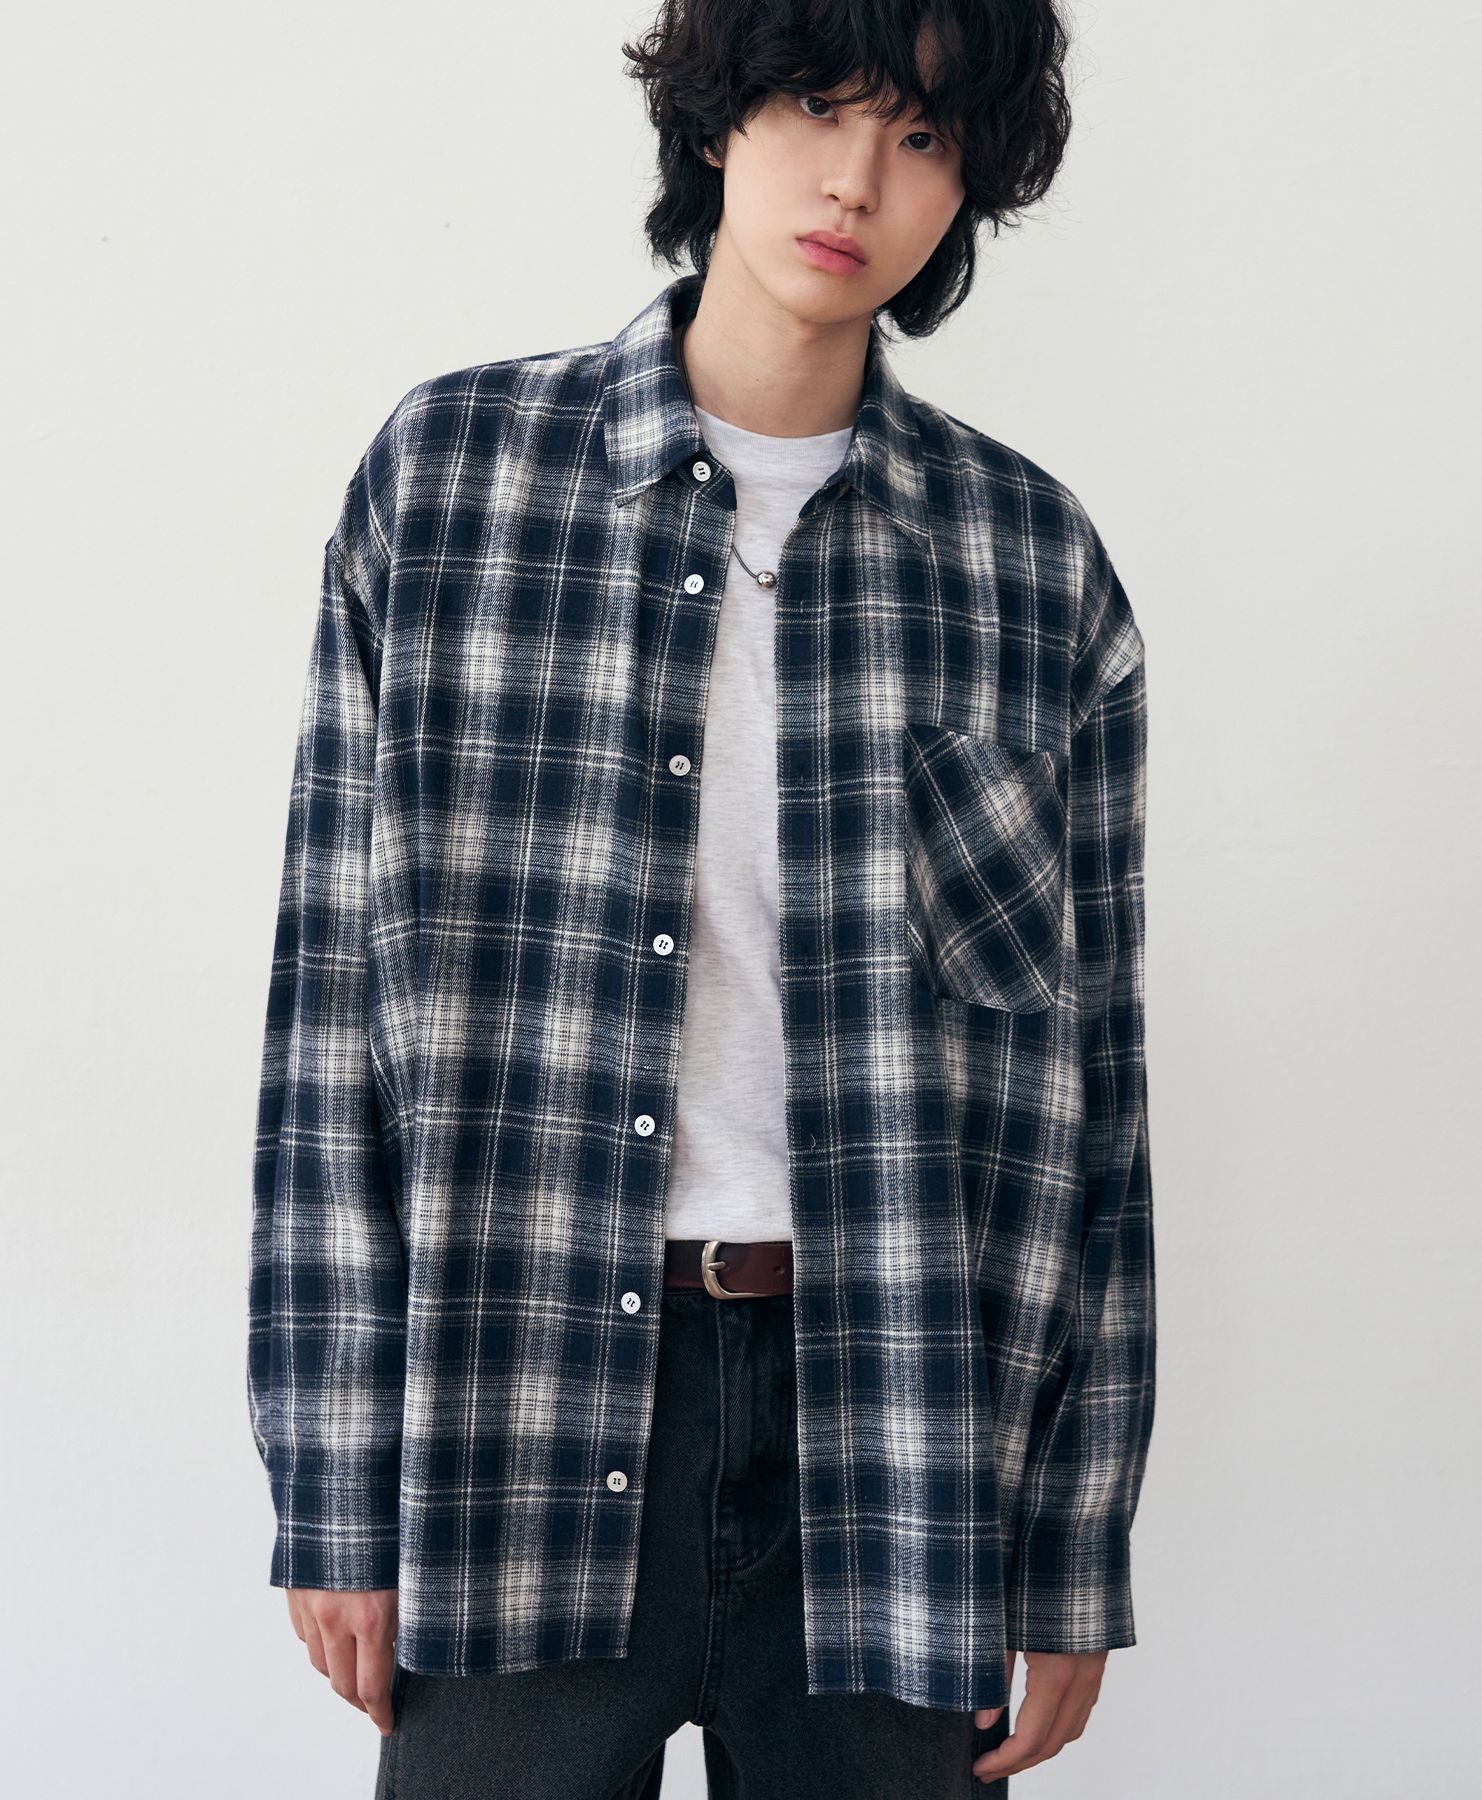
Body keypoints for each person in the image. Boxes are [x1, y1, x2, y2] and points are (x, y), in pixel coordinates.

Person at [246, 2, 1155, 1793]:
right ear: (721, 118)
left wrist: (1073, 1544)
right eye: (818, 104)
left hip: (893, 1433)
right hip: (513, 1402)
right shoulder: (452, 484)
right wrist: (334, 1477)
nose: (858, 179)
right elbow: (330, 1015)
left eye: (923, 137)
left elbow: (1094, 1094)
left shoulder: (1031, 565)